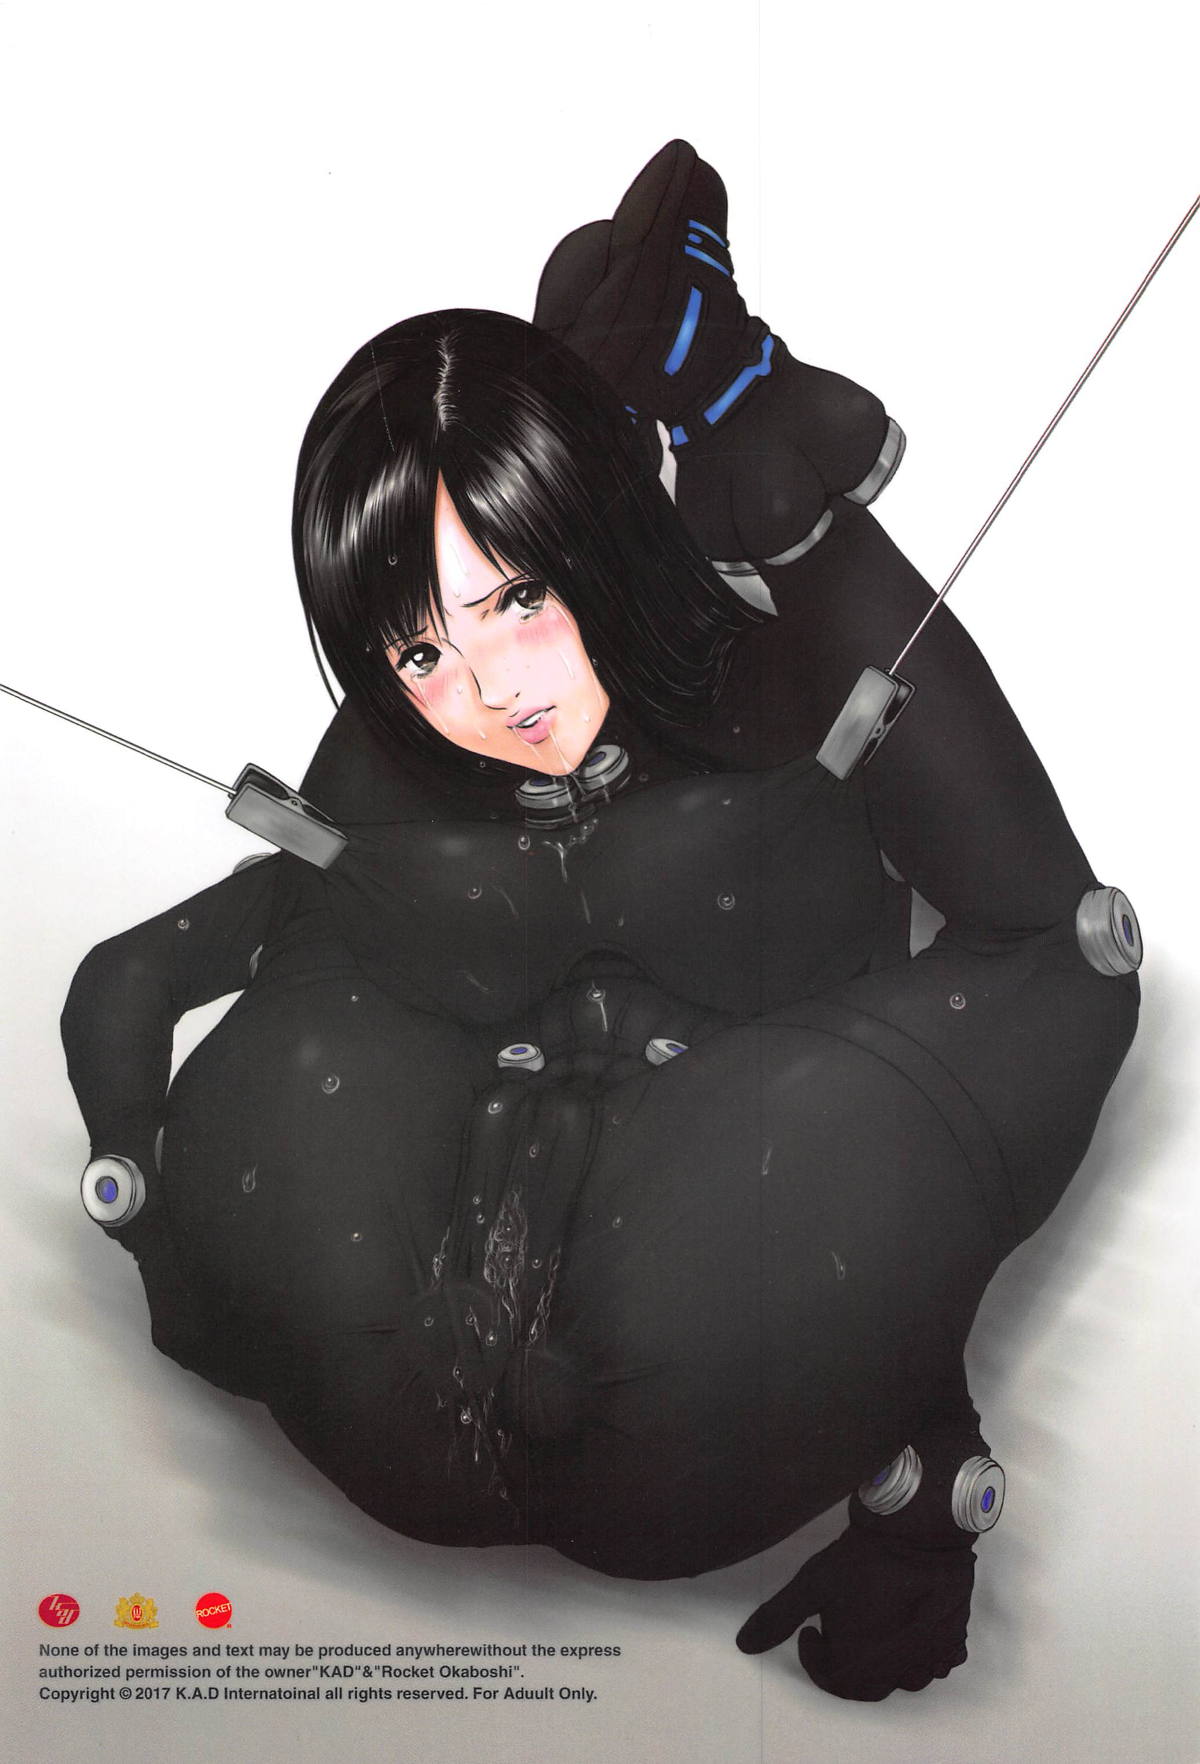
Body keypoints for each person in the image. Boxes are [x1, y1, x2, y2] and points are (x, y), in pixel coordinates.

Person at [61, 142, 1138, 1701]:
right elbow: (134, 975)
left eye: (518, 600)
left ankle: (757, 445)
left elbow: (1038, 970)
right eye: (419, 648)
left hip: (672, 1404)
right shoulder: (382, 765)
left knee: (1043, 961)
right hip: (415, 1404)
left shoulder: (779, 706)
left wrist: (923, 1487)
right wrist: (154, 1221)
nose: (491, 690)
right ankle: (705, 397)